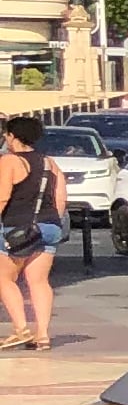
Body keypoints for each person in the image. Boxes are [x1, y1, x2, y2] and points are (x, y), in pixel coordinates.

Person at [0, 119, 60, 352]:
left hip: (18, 227)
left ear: (14, 136)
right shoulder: (48, 162)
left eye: (7, 135)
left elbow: (3, 196)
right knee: (39, 281)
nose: (6, 139)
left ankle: (21, 329)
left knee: (4, 278)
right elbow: (59, 194)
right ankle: (43, 335)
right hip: (48, 226)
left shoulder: (10, 161)